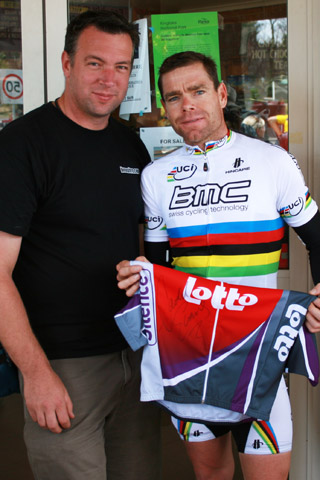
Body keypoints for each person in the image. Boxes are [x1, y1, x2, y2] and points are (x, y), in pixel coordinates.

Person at [116, 51, 320, 480]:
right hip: (188, 354)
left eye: (197, 90)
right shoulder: (156, 176)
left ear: (221, 94)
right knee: (211, 475)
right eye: (173, 97)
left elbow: (317, 240)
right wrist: (140, 272)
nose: (186, 104)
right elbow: (158, 266)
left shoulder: (272, 161)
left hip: (258, 349)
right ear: (164, 108)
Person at [0, 10, 160, 480]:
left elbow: (139, 246)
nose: (109, 80)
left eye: (122, 67)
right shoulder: (21, 146)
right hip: (65, 365)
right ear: (67, 63)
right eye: (95, 63)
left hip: (134, 355)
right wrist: (36, 372)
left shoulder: (131, 147)